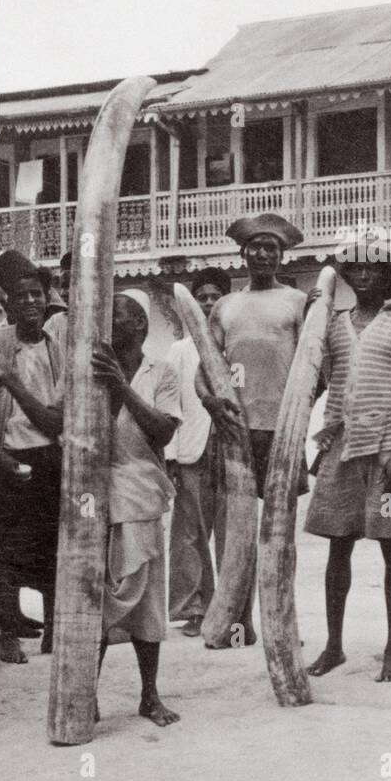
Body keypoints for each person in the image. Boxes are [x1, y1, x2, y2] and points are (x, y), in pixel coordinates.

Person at [304, 258, 391, 683]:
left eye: (372, 270)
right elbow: (319, 380)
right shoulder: (334, 324)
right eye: (355, 269)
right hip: (341, 450)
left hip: (385, 452)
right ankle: (333, 646)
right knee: (338, 548)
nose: (362, 277)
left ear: (387, 278)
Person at [203, 213, 308, 646]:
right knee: (236, 533)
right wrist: (210, 402)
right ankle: (236, 621)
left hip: (281, 431)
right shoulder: (225, 306)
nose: (263, 254)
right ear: (242, 253)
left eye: (271, 248)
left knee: (280, 533)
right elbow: (206, 367)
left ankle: (283, 623)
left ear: (281, 256)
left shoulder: (299, 303)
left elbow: (316, 365)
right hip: (234, 432)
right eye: (255, 247)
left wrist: (300, 409)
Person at [94, 289, 181, 727]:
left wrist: (121, 386)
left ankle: (149, 695)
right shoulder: (90, 372)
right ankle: (83, 692)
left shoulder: (162, 371)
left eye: (118, 315)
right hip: (94, 498)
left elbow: (162, 431)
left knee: (145, 599)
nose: (108, 321)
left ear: (140, 324)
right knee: (96, 598)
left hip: (142, 493)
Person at [0, 255, 64, 664]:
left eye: (36, 295)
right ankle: (9, 634)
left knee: (50, 543)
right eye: (21, 296)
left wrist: (11, 379)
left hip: (49, 454)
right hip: (12, 457)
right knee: (7, 549)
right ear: (9, 303)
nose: (30, 301)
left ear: (47, 302)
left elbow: (56, 418)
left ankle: (51, 631)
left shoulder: (56, 348)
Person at [164, 267, 230, 636]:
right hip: (191, 450)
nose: (207, 303)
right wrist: (170, 456)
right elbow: (171, 404)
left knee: (230, 531)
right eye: (201, 296)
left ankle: (230, 606)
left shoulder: (233, 344)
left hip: (231, 451)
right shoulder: (180, 350)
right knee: (190, 533)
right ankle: (193, 609)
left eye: (214, 296)